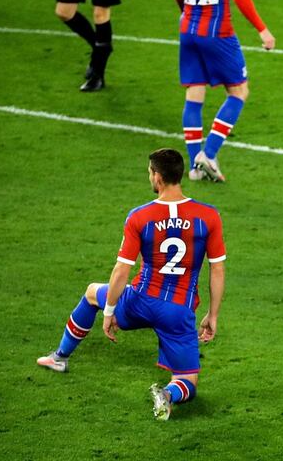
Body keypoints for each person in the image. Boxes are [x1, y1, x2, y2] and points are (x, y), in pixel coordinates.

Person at [36, 148, 226, 421]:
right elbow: (217, 269)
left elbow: (121, 271)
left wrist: (110, 310)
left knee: (92, 294)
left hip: (139, 301)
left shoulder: (139, 216)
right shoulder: (208, 216)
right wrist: (213, 315)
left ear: (158, 178)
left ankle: (59, 357)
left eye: (150, 172)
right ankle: (168, 395)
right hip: (178, 310)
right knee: (188, 380)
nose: (149, 176)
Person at [171, 0, 276, 182]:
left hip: (188, 29)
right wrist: (262, 28)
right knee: (239, 91)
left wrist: (188, 14)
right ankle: (209, 154)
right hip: (218, 32)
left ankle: (194, 167)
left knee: (194, 92)